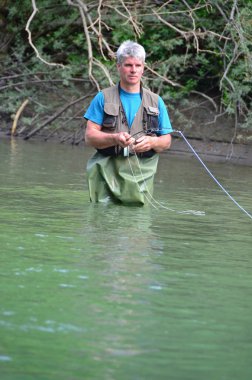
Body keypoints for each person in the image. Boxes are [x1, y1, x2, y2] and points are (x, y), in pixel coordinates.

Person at [84, 40, 173, 205]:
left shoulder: (156, 101)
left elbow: (166, 142)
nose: (133, 70)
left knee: (137, 227)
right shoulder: (102, 98)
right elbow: (89, 137)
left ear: (143, 67)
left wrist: (153, 141)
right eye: (128, 65)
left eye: (138, 65)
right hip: (105, 172)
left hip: (142, 175)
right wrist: (115, 138)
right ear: (118, 66)